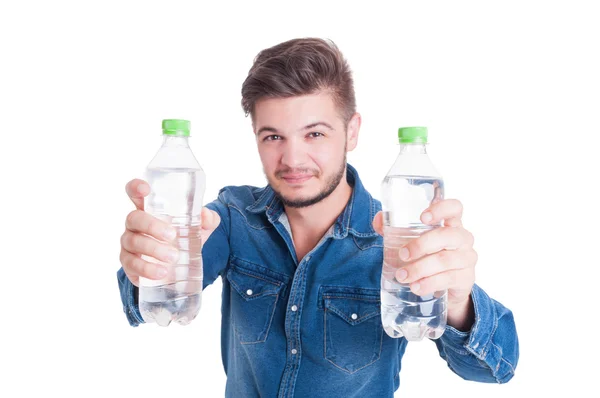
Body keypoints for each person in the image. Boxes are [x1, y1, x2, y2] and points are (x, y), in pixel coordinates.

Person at [117, 38, 519, 397]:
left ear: (352, 131)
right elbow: (143, 300)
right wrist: (147, 263)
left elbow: (494, 370)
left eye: (314, 134)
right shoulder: (233, 218)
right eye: (273, 136)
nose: (292, 160)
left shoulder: (397, 241)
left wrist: (458, 301)